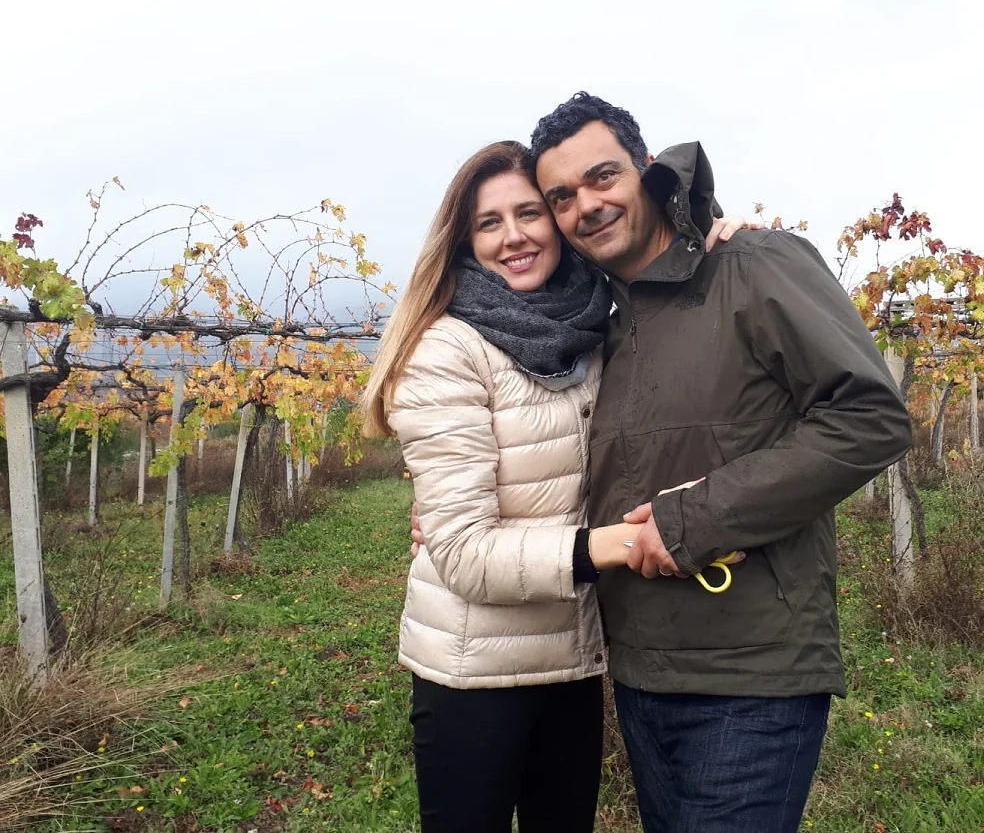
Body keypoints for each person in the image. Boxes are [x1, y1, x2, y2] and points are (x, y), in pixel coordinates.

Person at [527, 93, 914, 832]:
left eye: (602, 176)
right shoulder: (601, 327)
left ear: (645, 171)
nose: (587, 205)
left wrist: (695, 518)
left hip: (752, 678)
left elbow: (870, 416)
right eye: (563, 197)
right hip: (641, 674)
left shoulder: (752, 266)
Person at [359, 140, 750, 833]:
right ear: (463, 240)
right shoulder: (447, 349)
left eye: (530, 213)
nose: (514, 236)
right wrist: (623, 543)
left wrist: (723, 247)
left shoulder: (597, 328)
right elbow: (466, 553)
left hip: (572, 661)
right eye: (488, 222)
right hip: (472, 672)